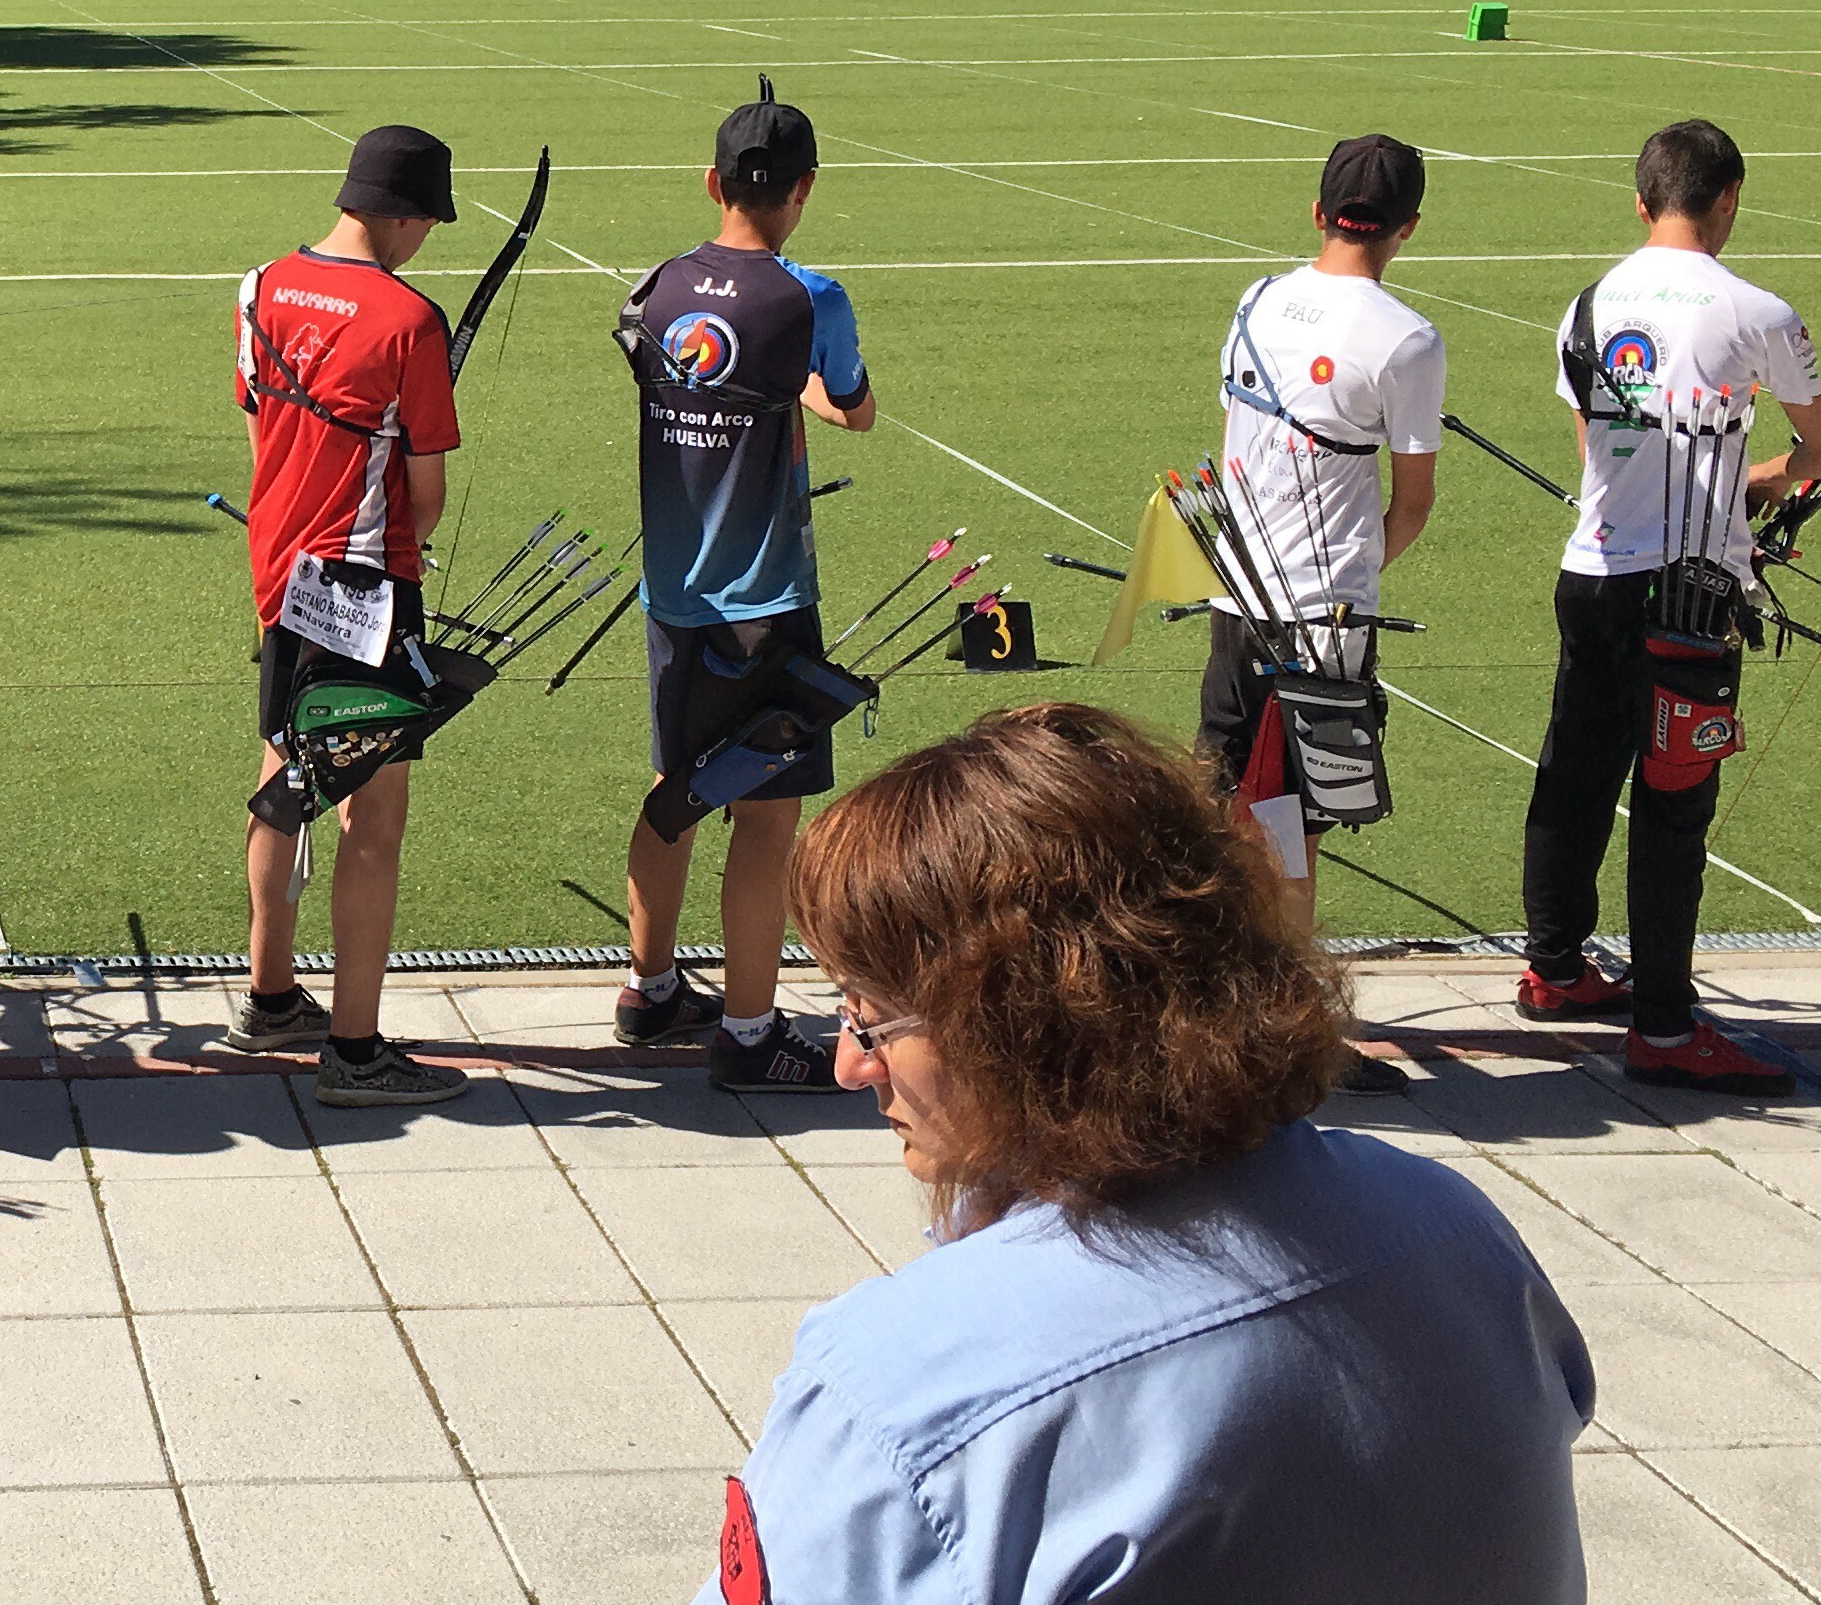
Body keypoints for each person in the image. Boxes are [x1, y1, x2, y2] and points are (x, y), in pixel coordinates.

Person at [706, 700, 1592, 1604]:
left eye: (867, 1015)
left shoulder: (903, 1388)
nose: (851, 1064)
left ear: (1018, 1025)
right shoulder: (1455, 1230)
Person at [1520, 120, 1821, 1094]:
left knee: (1575, 771)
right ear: (1729, 201)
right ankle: (1663, 1028)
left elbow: (1604, 453)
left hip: (1589, 573)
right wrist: (1769, 477)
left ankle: (1552, 969)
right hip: (1684, 597)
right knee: (1673, 804)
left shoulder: (1587, 307)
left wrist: (1736, 485)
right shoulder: (1756, 310)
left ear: (1639, 201)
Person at [611, 79, 874, 1091]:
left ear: (712, 181)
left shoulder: (658, 285)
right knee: (764, 813)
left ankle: (650, 987)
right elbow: (849, 408)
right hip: (764, 596)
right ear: (803, 189)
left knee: (676, 787)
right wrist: (797, 385)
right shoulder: (809, 296)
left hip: (672, 592)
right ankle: (752, 1031)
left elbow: (677, 378)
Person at [224, 124, 471, 1107]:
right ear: (406, 215)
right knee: (374, 813)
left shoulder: (258, 286)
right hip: (368, 585)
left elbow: (258, 428)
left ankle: (268, 992)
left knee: (285, 767)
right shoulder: (411, 320)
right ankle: (356, 1048)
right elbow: (425, 493)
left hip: (280, 569)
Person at [1196, 135, 1444, 1096]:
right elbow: (1413, 503)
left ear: (1319, 212)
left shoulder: (1257, 299)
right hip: (1319, 624)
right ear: (1406, 228)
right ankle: (1286, 1041)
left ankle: (1237, 1014)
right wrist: (1352, 579)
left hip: (1237, 602)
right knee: (1286, 828)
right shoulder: (1408, 338)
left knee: (1239, 817)